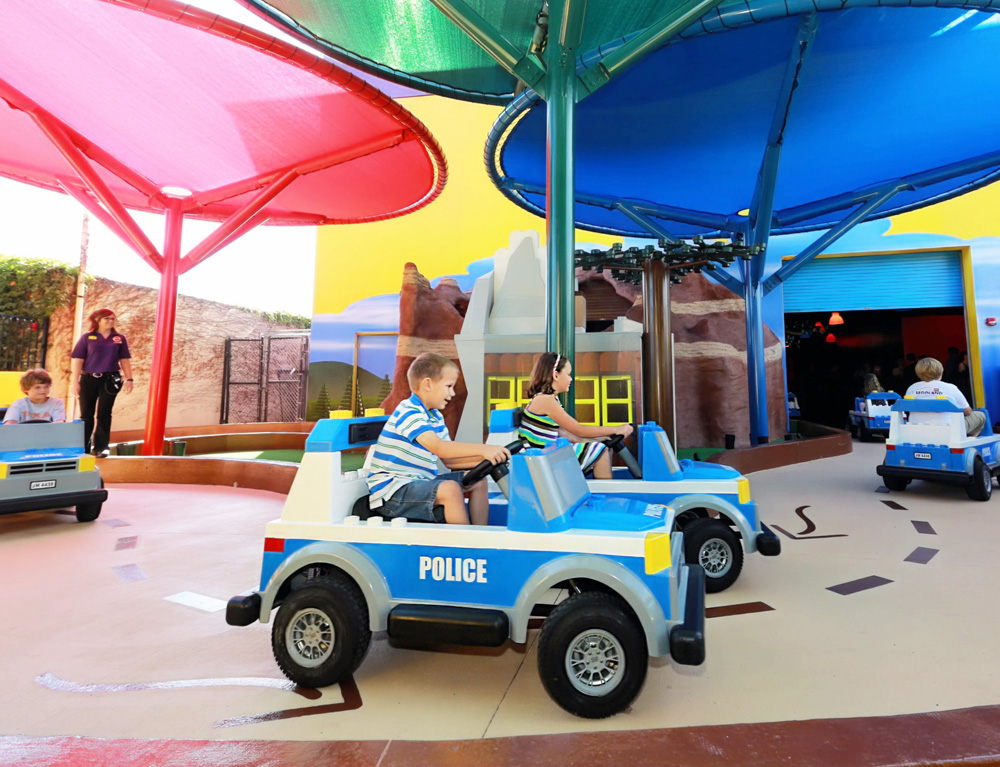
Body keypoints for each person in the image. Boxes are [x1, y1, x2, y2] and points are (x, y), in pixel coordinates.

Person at [365, 353, 510, 525]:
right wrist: (484, 449)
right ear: (428, 384)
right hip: (392, 491)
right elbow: (439, 447)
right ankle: (465, 546)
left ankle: (481, 534)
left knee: (478, 481)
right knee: (450, 490)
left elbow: (450, 460)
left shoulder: (435, 417)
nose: (452, 393)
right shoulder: (408, 412)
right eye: (448, 386)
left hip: (419, 482)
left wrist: (487, 459)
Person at [518, 352, 634, 479]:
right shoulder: (545, 401)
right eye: (568, 374)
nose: (571, 379)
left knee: (603, 446)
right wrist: (616, 429)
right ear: (556, 375)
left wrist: (602, 437)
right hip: (543, 460)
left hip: (547, 455)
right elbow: (578, 429)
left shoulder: (550, 400)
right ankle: (607, 494)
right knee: (600, 451)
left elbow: (566, 434)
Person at [70, 308, 134, 457]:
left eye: (113, 319)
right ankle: (83, 447)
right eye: (107, 318)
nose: (111, 321)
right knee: (86, 414)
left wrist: (129, 378)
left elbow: (124, 359)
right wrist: (75, 381)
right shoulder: (87, 337)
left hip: (110, 380)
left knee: (104, 413)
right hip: (88, 379)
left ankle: (101, 447)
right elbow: (78, 360)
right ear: (98, 320)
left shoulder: (119, 338)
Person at [906, 357, 985, 437]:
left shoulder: (911, 388)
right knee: (980, 415)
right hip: (948, 431)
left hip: (917, 431)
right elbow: (967, 411)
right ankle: (968, 439)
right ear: (941, 372)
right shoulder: (950, 388)